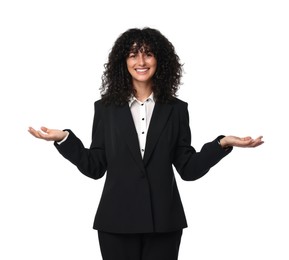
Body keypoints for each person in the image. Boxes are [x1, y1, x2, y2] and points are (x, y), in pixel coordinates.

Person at [28, 27, 263, 260]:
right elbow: (95, 167)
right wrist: (64, 139)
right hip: (116, 222)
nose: (141, 61)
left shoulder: (177, 109)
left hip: (164, 223)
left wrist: (221, 144)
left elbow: (189, 169)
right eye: (133, 54)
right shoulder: (105, 108)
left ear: (160, 59)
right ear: (124, 61)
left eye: (148, 53)